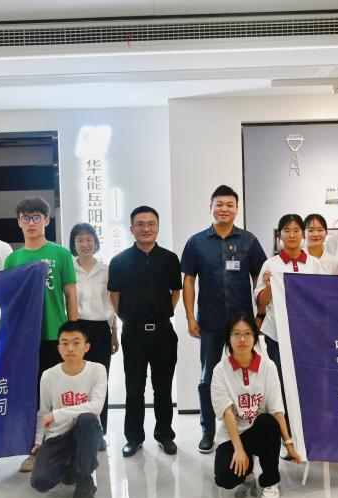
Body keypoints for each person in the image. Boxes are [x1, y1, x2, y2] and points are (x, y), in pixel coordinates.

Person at [181, 185, 267, 453]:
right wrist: (189, 317)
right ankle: (207, 430)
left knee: (246, 375)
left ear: (237, 209)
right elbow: (188, 280)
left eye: (230, 205)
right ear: (211, 207)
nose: (224, 209)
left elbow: (260, 277)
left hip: (242, 324)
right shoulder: (196, 242)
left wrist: (260, 314)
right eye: (219, 204)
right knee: (207, 377)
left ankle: (246, 426)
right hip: (209, 320)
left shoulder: (249, 241)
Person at [5, 197, 78, 473]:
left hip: (55, 335)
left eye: (36, 217)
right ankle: (34, 450)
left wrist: (73, 331)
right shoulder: (13, 259)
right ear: (19, 222)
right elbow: (9, 299)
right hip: (26, 339)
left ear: (47, 220)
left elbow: (70, 292)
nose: (31, 222)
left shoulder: (60, 254)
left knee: (57, 394)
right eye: (26, 217)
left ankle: (61, 449)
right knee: (32, 396)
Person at [108, 206, 182, 457]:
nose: (146, 228)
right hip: (134, 333)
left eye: (151, 224)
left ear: (158, 227)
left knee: (163, 387)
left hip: (163, 332)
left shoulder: (170, 259)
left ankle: (164, 435)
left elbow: (176, 292)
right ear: (131, 229)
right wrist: (127, 318)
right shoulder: (120, 261)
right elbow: (114, 296)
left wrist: (162, 313)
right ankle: (134, 437)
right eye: (140, 224)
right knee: (134, 388)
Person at [212, 313, 301, 498]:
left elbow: (277, 410)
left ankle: (270, 482)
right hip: (234, 435)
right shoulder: (220, 371)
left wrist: (289, 444)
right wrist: (238, 449)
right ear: (228, 338)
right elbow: (227, 413)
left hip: (260, 431)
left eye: (247, 333)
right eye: (236, 334)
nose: (242, 339)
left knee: (268, 422)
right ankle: (248, 464)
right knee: (225, 478)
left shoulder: (268, 367)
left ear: (255, 337)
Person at [30, 321, 107, 498]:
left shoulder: (97, 370)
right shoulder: (48, 376)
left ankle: (85, 479)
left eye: (76, 342)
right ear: (59, 348)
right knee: (40, 481)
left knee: (87, 419)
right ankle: (71, 464)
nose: (70, 348)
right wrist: (38, 441)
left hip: (86, 430)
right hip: (58, 435)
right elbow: (44, 411)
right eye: (64, 343)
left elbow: (96, 407)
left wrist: (57, 414)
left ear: (86, 347)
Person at [254, 214, 324, 394]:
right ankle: (283, 413)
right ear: (280, 235)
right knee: (280, 382)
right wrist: (270, 286)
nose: (291, 235)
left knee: (308, 381)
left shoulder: (314, 264)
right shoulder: (270, 265)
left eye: (296, 230)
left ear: (302, 234)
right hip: (277, 334)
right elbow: (261, 302)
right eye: (286, 231)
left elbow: (322, 298)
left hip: (307, 334)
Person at [69, 222, 118, 435]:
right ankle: (75, 430)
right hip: (75, 329)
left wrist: (114, 333)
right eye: (79, 240)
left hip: (100, 330)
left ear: (96, 243)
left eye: (89, 239)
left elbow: (111, 304)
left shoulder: (106, 270)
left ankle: (99, 431)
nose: (85, 244)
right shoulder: (68, 268)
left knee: (99, 381)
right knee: (76, 380)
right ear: (73, 244)